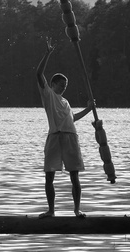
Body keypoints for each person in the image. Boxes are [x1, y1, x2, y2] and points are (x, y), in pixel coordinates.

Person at [36, 37, 95, 219]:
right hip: (55, 137)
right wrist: (47, 54)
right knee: (49, 176)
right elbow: (39, 74)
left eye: (66, 85)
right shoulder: (48, 95)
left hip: (70, 137)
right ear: (53, 84)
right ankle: (51, 211)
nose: (64, 87)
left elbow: (72, 118)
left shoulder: (65, 101)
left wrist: (89, 108)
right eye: (61, 84)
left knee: (74, 175)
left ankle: (77, 210)